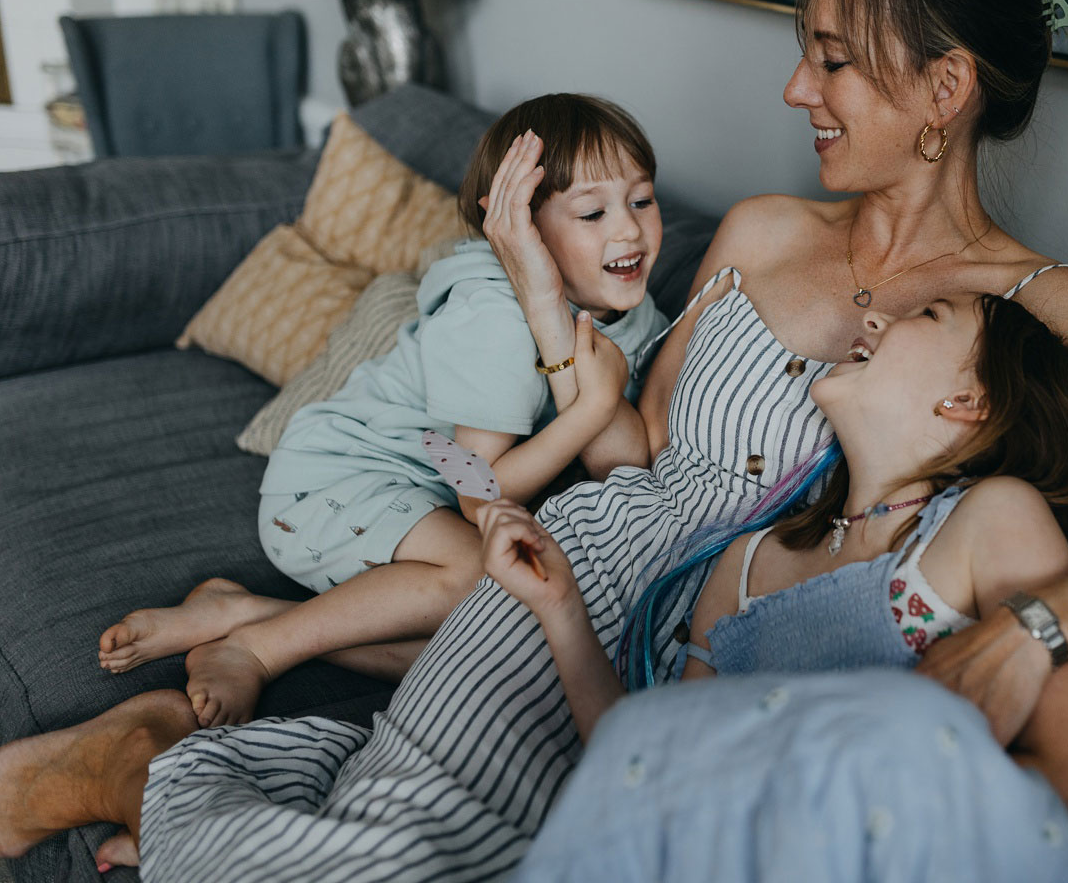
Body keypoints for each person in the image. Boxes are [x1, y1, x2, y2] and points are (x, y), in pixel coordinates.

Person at [0, 0, 1068, 878]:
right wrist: (530, 281)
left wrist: (1045, 630)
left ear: (944, 88)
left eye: (835, 58)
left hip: (698, 661)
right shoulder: (762, 233)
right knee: (404, 828)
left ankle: (160, 770)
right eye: (808, 49)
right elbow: (633, 451)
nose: (798, 86)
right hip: (587, 567)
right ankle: (158, 764)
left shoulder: (1039, 308)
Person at [94, 93, 669, 729]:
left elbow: (628, 468)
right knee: (480, 580)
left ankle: (243, 611)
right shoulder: (493, 319)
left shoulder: (635, 312)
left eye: (641, 200)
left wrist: (594, 399)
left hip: (420, 497)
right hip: (335, 479)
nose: (629, 230)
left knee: (512, 653)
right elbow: (480, 494)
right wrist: (588, 409)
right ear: (522, 232)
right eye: (592, 212)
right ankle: (257, 649)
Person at [480, 292, 1068, 836]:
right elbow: (653, 764)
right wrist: (559, 605)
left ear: (968, 399)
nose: (871, 320)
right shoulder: (748, 562)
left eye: (929, 314)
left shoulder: (993, 518)